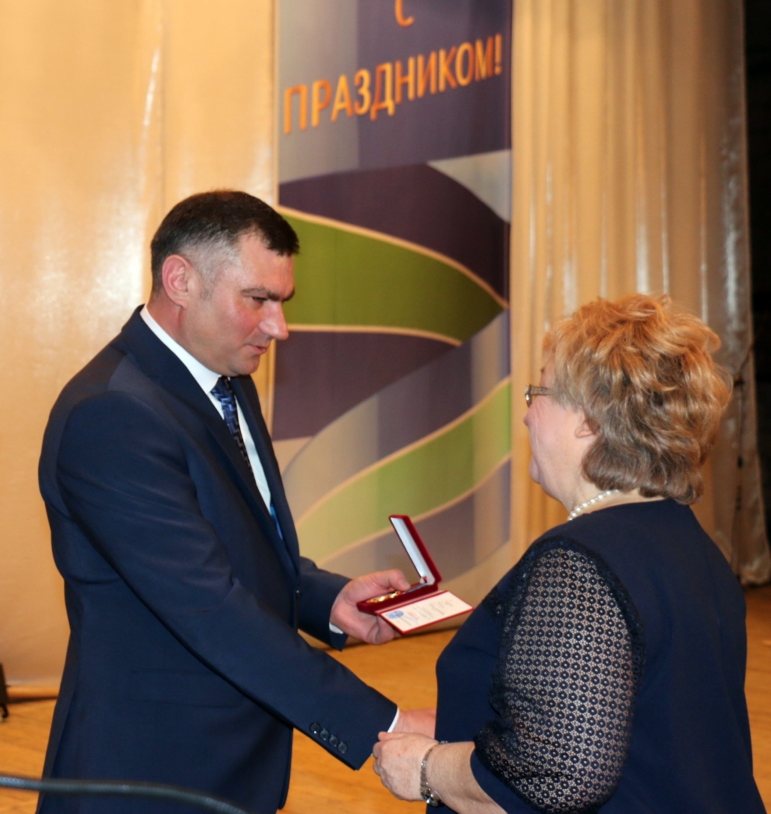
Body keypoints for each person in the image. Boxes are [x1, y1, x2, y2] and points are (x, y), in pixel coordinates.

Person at [38, 190, 428, 814]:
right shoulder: (112, 414)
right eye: (258, 300)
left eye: (283, 302)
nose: (279, 327)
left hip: (228, 764)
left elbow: (230, 543)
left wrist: (326, 600)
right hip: (148, 774)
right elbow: (208, 606)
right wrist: (386, 723)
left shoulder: (224, 377)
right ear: (180, 280)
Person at [373, 294, 766, 812]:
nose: (527, 416)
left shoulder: (579, 561)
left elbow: (558, 773)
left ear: (588, 419)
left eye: (539, 392)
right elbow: (640, 723)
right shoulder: (687, 541)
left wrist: (427, 768)